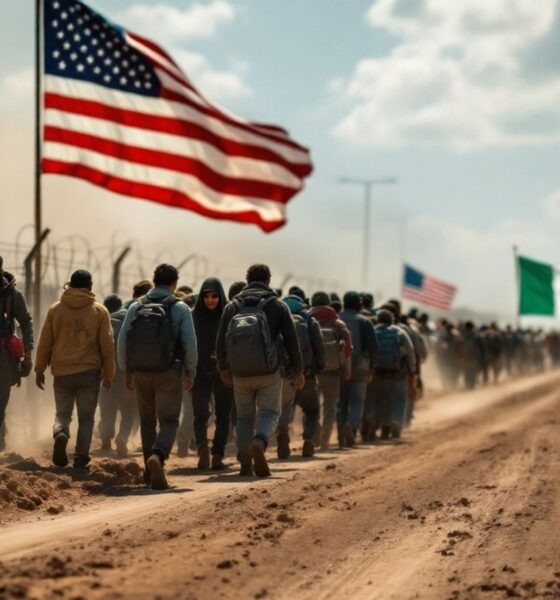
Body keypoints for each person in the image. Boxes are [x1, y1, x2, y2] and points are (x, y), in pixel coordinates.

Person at [216, 264, 303, 477]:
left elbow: (220, 341)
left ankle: (245, 461)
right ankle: (260, 441)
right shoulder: (277, 305)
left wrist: (223, 367)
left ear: (247, 280)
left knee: (244, 418)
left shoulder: (232, 305)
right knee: (270, 412)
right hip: (269, 372)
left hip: (239, 373)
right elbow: (292, 341)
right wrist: (298, 370)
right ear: (268, 280)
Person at [118, 264, 197, 490]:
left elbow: (122, 340)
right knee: (170, 420)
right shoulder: (180, 308)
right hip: (168, 372)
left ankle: (148, 472)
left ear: (154, 281)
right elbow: (190, 344)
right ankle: (158, 456)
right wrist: (190, 371)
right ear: (174, 283)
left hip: (141, 372)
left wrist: (127, 370)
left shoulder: (136, 306)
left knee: (147, 423)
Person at [35, 270, 114, 469]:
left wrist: (39, 368)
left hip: (61, 371)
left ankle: (61, 433)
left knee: (62, 413)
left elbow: (45, 341)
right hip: (89, 371)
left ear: (70, 285)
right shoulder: (99, 311)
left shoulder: (56, 309)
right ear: (90, 286)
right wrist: (109, 374)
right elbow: (107, 346)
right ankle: (80, 458)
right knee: (86, 417)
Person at [277, 287, 325, 459]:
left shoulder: (279, 316)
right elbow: (319, 347)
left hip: (284, 375)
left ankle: (282, 434)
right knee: (312, 410)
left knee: (284, 409)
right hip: (307, 375)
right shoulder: (310, 320)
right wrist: (317, 368)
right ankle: (309, 440)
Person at [192, 278, 233, 471]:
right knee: (200, 413)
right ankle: (202, 449)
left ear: (220, 297)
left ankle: (218, 453)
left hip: (222, 373)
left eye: (214, 296)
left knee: (223, 414)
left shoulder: (227, 315)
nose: (210, 300)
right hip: (199, 372)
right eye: (206, 296)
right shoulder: (193, 316)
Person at [309, 292, 352, 450]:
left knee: (311, 407)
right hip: (333, 372)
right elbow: (347, 348)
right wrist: (347, 368)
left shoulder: (308, 318)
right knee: (330, 407)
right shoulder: (337, 322)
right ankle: (325, 441)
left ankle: (313, 437)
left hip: (313, 372)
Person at [363, 309, 416, 440]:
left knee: (378, 401)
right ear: (392, 320)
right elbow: (410, 354)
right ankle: (396, 422)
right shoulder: (400, 332)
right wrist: (412, 372)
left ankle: (377, 426)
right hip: (398, 374)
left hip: (378, 374)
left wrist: (369, 370)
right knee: (398, 400)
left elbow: (367, 352)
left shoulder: (373, 331)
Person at [0, 257, 33, 452]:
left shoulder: (12, 295)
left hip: (3, 358)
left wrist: (27, 352)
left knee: (1, 403)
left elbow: (26, 322)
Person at [97, 293, 137, 458]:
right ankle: (123, 437)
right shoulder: (130, 323)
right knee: (129, 410)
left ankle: (106, 439)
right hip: (127, 373)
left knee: (107, 408)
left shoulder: (102, 323)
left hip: (107, 374)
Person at [338, 292, 377, 447]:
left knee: (341, 402)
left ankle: (341, 433)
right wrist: (372, 367)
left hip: (340, 366)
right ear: (359, 304)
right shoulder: (365, 322)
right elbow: (373, 347)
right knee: (358, 401)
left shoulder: (336, 319)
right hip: (360, 367)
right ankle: (352, 426)